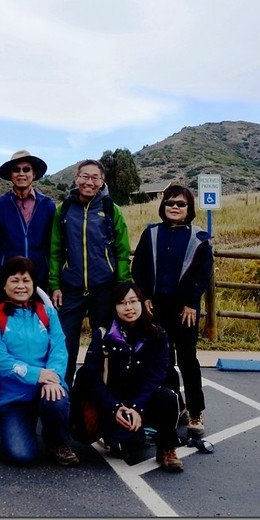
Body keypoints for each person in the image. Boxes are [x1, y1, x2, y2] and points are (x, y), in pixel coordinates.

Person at [74, 284, 183, 472]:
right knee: (130, 446)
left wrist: (138, 408)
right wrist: (114, 407)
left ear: (142, 303)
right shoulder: (103, 334)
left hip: (141, 399)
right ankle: (111, 434)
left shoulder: (158, 334)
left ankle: (166, 448)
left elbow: (156, 376)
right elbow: (92, 377)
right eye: (122, 303)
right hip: (113, 401)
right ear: (114, 307)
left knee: (169, 397)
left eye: (133, 301)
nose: (129, 308)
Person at [0, 256, 79, 467]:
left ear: (33, 284)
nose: (21, 286)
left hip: (47, 388)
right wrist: (37, 374)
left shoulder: (47, 312)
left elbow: (59, 349)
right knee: (22, 456)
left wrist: (52, 377)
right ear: (4, 284)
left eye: (26, 280)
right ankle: (24, 425)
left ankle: (58, 441)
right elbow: (1, 362)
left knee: (57, 398)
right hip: (14, 397)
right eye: (14, 280)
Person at [131, 185, 213, 437]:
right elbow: (139, 268)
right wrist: (143, 297)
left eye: (181, 204)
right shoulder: (151, 233)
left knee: (188, 360)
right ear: (163, 206)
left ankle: (196, 411)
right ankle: (174, 406)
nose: (174, 207)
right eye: (170, 203)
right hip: (156, 308)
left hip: (184, 310)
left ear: (189, 209)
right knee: (162, 361)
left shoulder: (199, 238)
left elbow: (203, 273)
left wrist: (190, 302)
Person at [0, 149, 57, 414]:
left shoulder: (48, 206)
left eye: (26, 169)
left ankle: (42, 386)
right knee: (3, 333)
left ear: (34, 173)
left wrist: (51, 278)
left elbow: (53, 246)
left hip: (38, 281)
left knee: (39, 335)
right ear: (10, 175)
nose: (22, 174)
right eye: (17, 170)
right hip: (6, 281)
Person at [48, 159, 132, 387]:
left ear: (102, 181)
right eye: (85, 176)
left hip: (103, 289)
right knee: (64, 346)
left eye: (95, 177)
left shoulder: (110, 209)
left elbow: (122, 250)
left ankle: (97, 398)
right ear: (76, 178)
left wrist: (122, 285)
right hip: (71, 289)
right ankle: (62, 398)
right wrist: (55, 284)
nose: (89, 181)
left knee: (102, 344)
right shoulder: (63, 209)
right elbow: (55, 251)